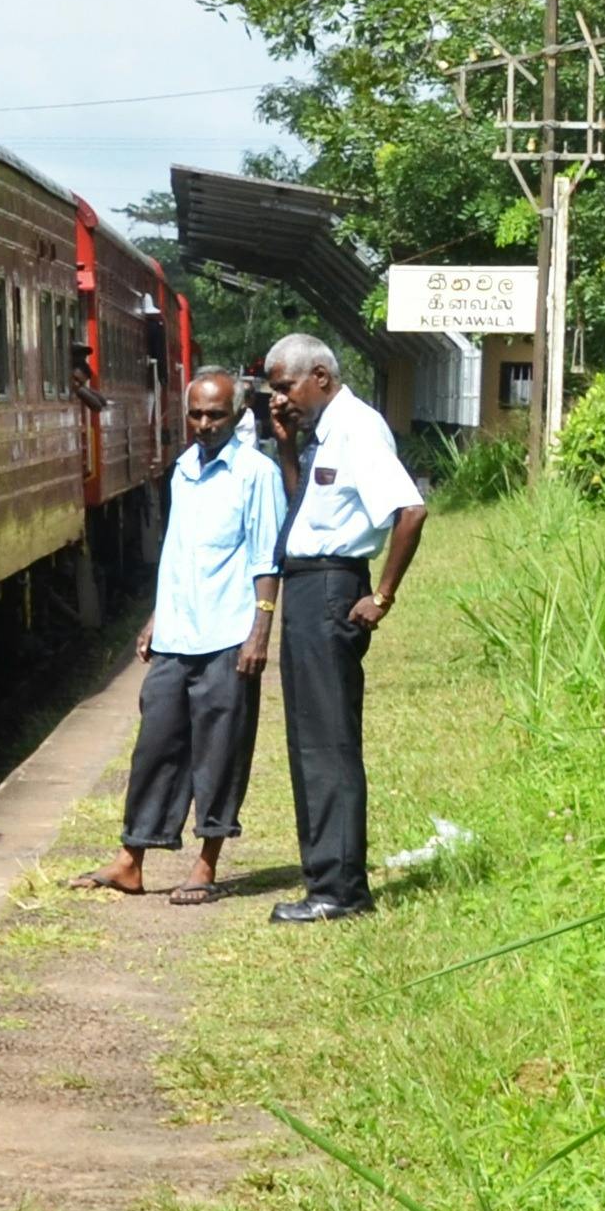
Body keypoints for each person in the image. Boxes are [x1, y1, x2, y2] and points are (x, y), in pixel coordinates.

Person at [87, 368, 281, 904]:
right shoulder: (182, 470)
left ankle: (206, 863)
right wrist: (156, 618)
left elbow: (267, 559)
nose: (203, 424)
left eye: (214, 415)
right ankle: (132, 858)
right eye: (195, 414)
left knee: (219, 751)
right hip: (177, 633)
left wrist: (259, 631)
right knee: (156, 746)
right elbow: (176, 555)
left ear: (237, 415)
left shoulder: (256, 474)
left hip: (227, 634)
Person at [259, 335, 425, 923]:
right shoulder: (324, 435)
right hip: (307, 587)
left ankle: (340, 891)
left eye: (285, 387)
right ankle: (323, 879)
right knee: (307, 741)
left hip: (332, 587)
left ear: (321, 377)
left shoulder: (357, 428)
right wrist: (287, 450)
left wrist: (381, 595)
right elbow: (306, 513)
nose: (279, 399)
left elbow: (410, 510)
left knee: (328, 742)